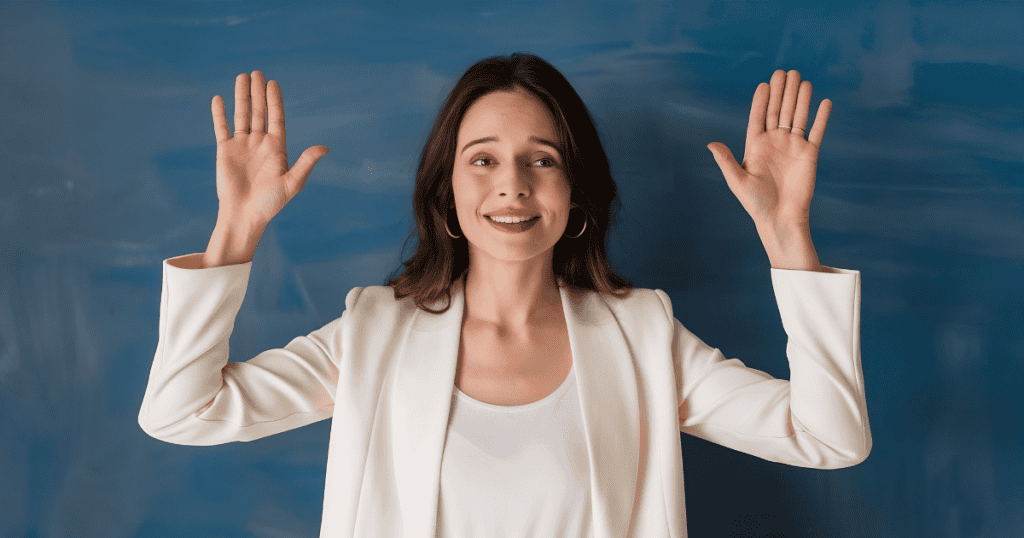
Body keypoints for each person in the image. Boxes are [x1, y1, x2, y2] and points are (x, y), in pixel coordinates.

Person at [139, 53, 870, 538]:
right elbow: (183, 412)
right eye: (482, 158)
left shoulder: (642, 335)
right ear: (448, 192)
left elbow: (830, 437)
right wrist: (235, 229)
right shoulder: (373, 333)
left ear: (573, 191)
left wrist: (787, 236)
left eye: (541, 160)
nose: (512, 183)